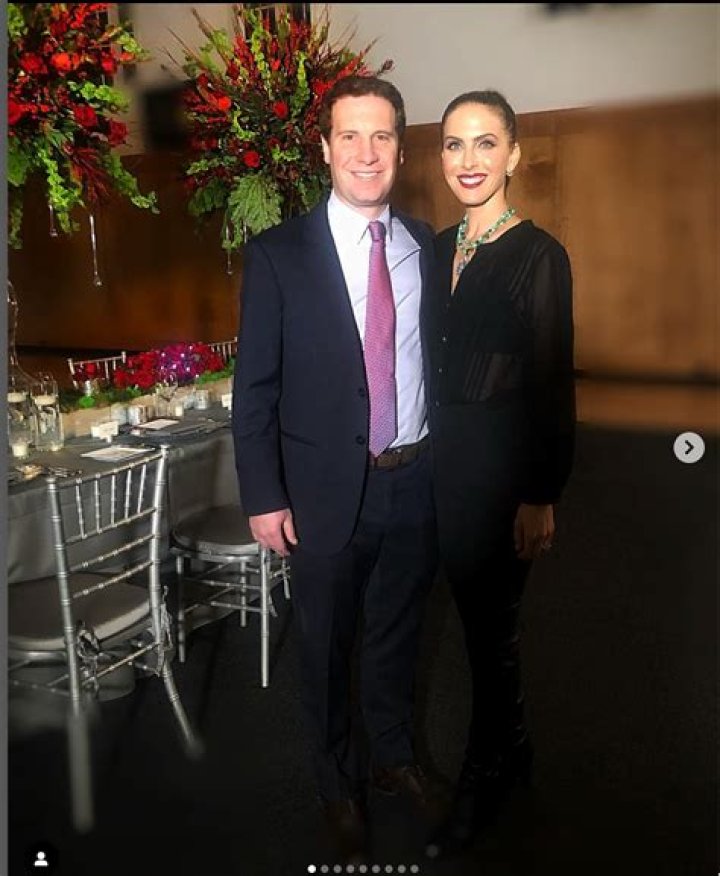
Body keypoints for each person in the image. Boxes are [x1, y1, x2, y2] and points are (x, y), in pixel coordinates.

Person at [232, 75, 439, 865]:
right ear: (323, 148)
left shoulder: (424, 245)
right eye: (349, 135)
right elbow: (255, 389)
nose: (366, 151)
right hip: (321, 492)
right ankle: (336, 785)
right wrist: (264, 495)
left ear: (401, 148)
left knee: (398, 634)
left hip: (414, 481)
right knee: (324, 649)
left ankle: (392, 757)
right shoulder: (278, 255)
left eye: (381, 135)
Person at [424, 90, 576, 859]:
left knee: (489, 633)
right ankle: (513, 747)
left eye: (486, 143)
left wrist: (540, 494)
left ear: (513, 154)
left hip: (502, 472)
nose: (469, 160)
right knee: (483, 628)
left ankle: (482, 774)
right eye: (454, 144)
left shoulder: (540, 257)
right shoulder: (434, 249)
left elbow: (551, 381)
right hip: (442, 467)